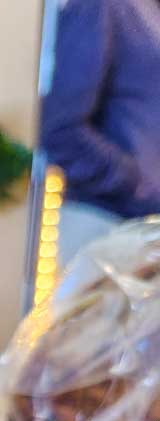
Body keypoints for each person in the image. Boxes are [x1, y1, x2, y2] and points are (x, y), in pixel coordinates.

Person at [41, 0, 160, 264]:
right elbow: (61, 130)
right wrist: (136, 184)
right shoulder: (102, 4)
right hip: (106, 231)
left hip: (144, 238)